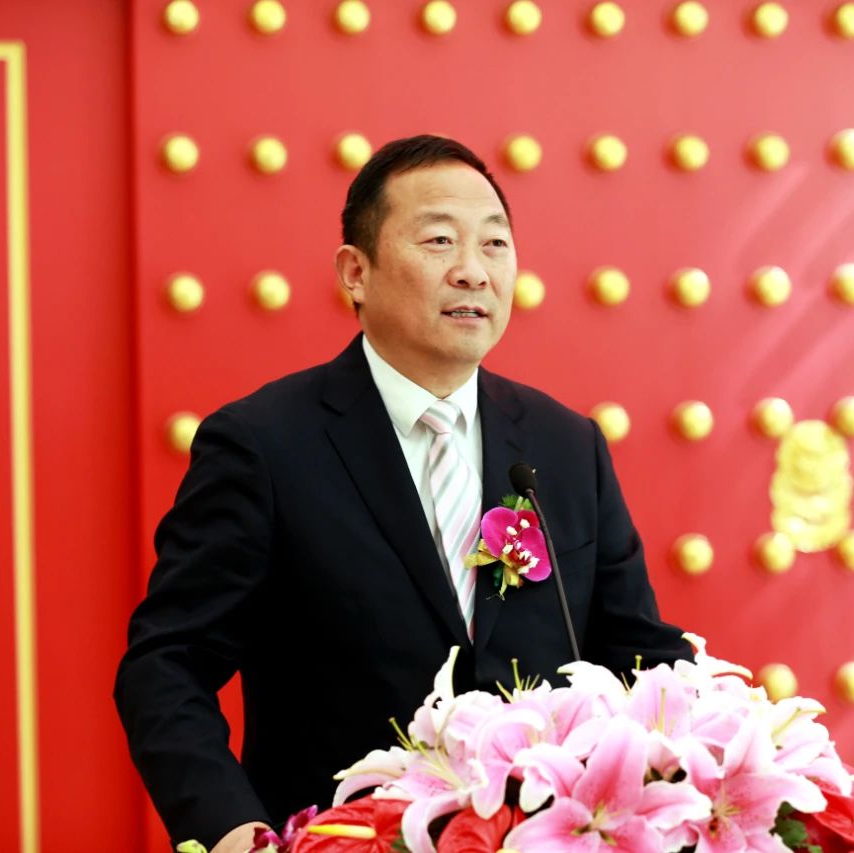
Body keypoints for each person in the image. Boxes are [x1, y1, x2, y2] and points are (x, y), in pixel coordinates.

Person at [114, 135, 692, 853]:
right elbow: (167, 665)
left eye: (494, 244)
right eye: (440, 240)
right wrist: (235, 832)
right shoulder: (264, 445)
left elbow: (641, 654)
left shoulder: (566, 446)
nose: (473, 270)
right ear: (356, 272)